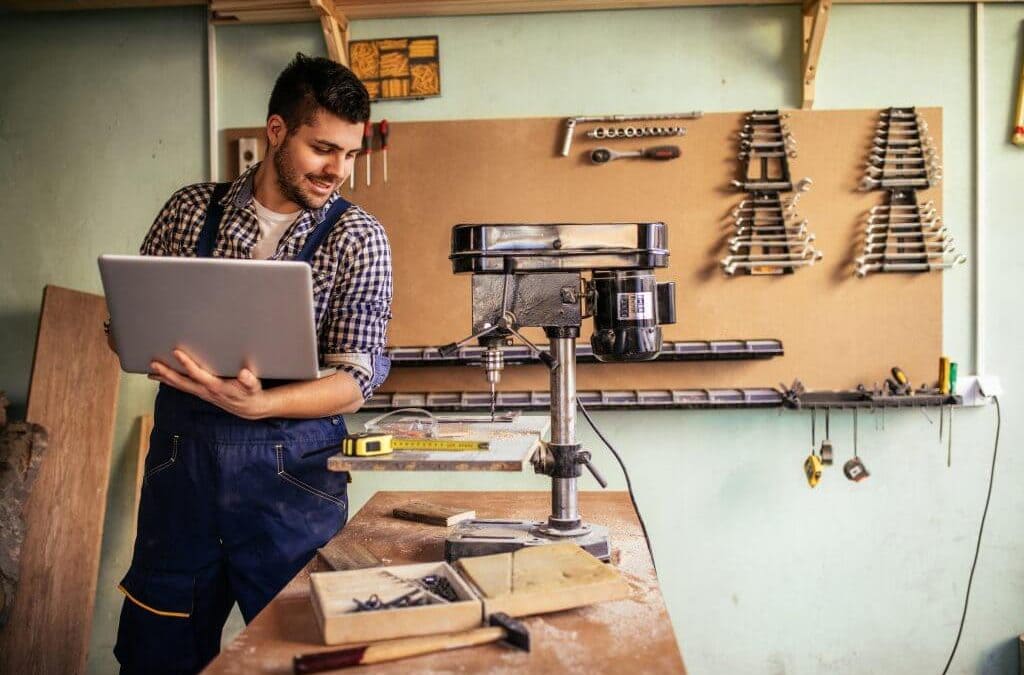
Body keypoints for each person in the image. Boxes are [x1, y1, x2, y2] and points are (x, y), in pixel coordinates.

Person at [112, 53, 392, 674]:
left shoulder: (358, 238)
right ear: (275, 132)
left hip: (292, 482)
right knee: (157, 653)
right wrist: (133, 336)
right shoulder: (190, 211)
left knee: (307, 655)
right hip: (180, 475)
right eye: (323, 149)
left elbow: (354, 379)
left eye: (350, 155)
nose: (337, 171)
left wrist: (262, 403)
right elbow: (127, 329)